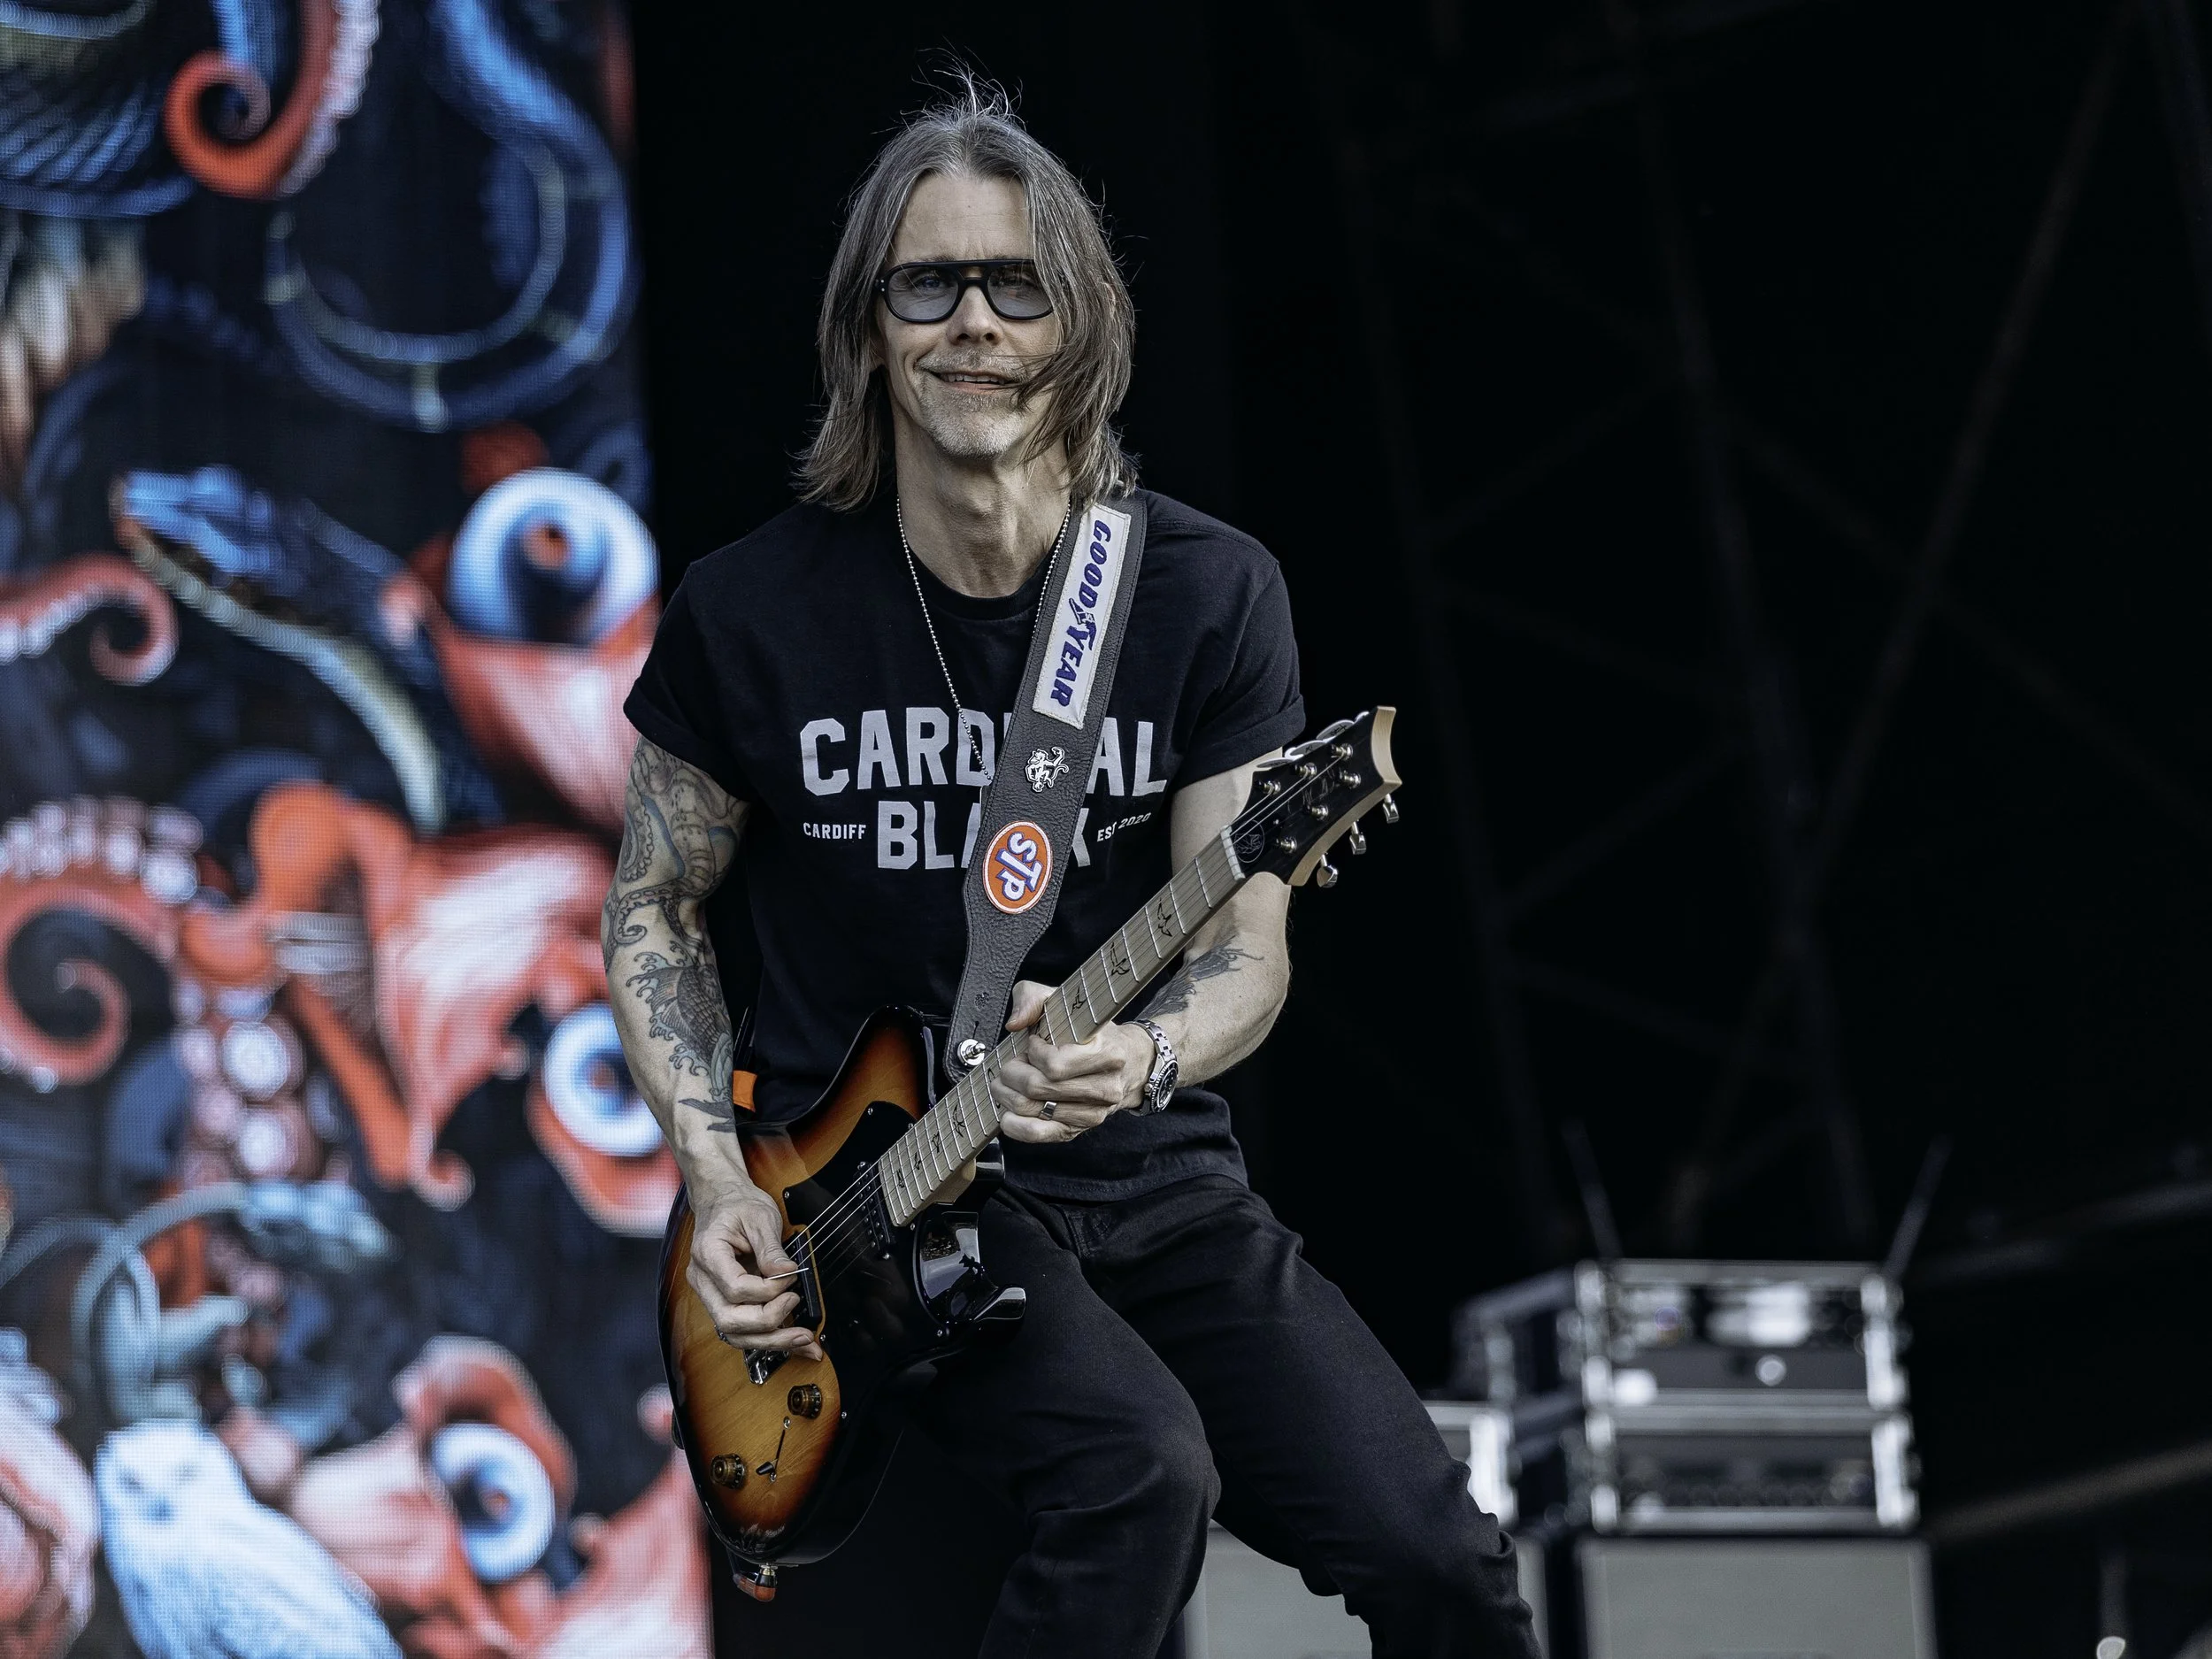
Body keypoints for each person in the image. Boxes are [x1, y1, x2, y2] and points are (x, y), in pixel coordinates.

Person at [603, 78, 1538, 1659]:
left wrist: (1144, 1053)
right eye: (927, 284)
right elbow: (653, 903)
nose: (973, 321)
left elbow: (1244, 949)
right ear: (868, 329)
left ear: (1081, 324)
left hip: (1151, 1176)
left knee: (1438, 1554)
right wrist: (713, 1180)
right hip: (876, 1204)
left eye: (1015, 284)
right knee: (1137, 1474)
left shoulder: (1203, 592)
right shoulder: (747, 613)